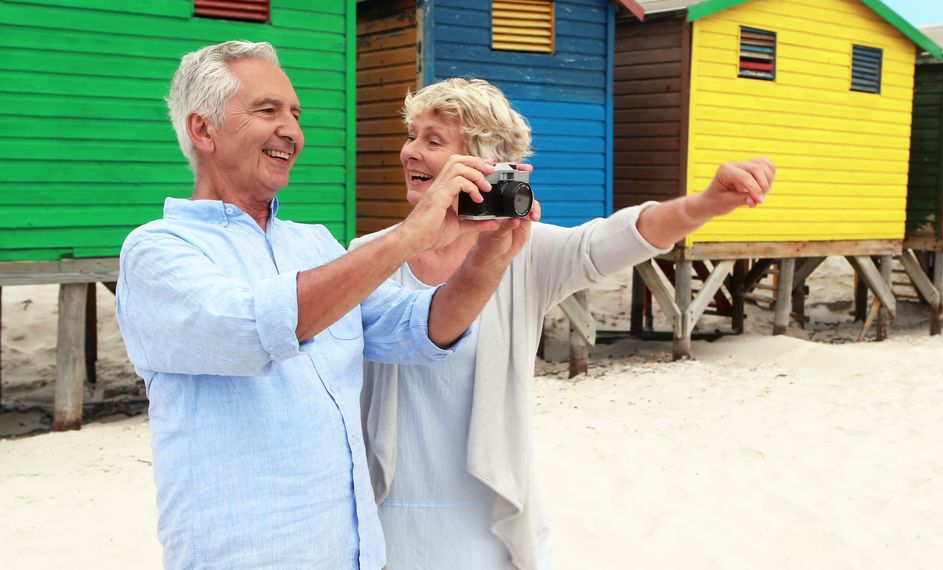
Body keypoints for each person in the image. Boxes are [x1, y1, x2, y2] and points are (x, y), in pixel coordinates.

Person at [115, 42, 534, 569]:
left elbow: (419, 331)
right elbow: (255, 328)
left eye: (295, 114)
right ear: (203, 130)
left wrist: (490, 253)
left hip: (354, 554)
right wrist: (408, 238)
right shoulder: (158, 251)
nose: (291, 130)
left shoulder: (313, 244)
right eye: (267, 110)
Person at [351, 77, 776, 569]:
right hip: (389, 511)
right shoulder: (371, 256)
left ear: (484, 165)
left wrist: (707, 202)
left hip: (491, 515)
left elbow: (615, 239)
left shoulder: (521, 250)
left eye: (433, 140)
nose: (409, 152)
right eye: (411, 135)